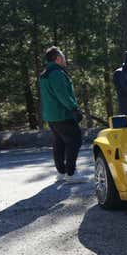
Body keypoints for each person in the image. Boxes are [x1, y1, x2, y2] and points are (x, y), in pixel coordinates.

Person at [39, 46, 86, 183]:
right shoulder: (56, 73)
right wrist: (74, 108)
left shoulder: (45, 73)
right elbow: (63, 94)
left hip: (51, 115)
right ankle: (71, 173)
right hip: (63, 114)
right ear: (58, 58)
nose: (65, 59)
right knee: (75, 140)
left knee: (59, 143)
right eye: (63, 56)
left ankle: (61, 172)